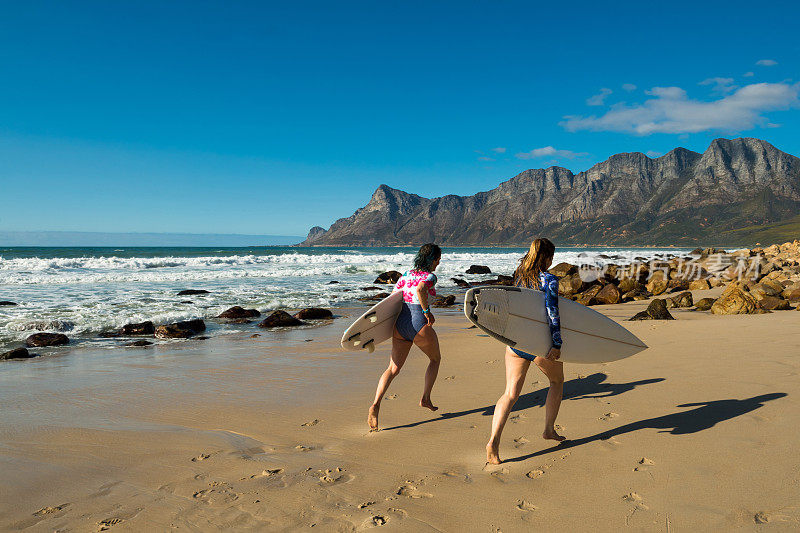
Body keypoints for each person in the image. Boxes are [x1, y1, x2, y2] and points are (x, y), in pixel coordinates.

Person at [486, 237, 565, 464]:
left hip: (516, 343)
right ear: (547, 257)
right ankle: (549, 429)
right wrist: (556, 344)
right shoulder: (548, 279)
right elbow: (552, 313)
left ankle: (494, 441)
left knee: (510, 394)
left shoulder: (519, 276)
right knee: (557, 382)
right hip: (539, 344)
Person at [368, 243, 442, 430]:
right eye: (438, 260)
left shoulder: (405, 275)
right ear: (432, 259)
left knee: (392, 369)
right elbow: (421, 289)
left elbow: (392, 300)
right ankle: (425, 398)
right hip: (418, 323)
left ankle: (376, 404)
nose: (438, 263)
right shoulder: (430, 276)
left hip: (400, 325)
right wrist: (426, 312)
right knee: (435, 359)